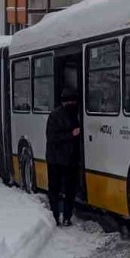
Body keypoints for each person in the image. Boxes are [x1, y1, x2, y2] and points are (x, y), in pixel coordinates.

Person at [45, 89, 82, 226]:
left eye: (74, 101)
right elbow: (52, 137)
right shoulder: (55, 116)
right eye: (70, 101)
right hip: (56, 160)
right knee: (55, 189)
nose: (72, 103)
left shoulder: (75, 114)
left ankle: (66, 217)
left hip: (70, 160)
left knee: (70, 191)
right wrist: (71, 134)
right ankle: (56, 217)